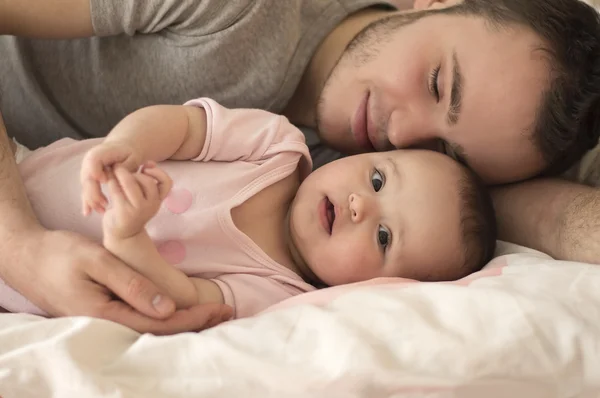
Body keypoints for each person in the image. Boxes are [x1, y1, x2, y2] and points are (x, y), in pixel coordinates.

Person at [0, 0, 599, 333]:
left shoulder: (327, 194)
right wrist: (20, 247)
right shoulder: (237, 14)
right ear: (437, 2)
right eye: (439, 83)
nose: (401, 132)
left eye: (444, 153)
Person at [2, 98, 496, 319]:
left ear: (377, 288)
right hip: (19, 177)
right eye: (377, 179)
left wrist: (127, 237)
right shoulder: (275, 147)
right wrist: (128, 146)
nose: (358, 205)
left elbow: (181, 294)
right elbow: (181, 125)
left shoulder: (276, 294)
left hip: (17, 292)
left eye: (385, 237)